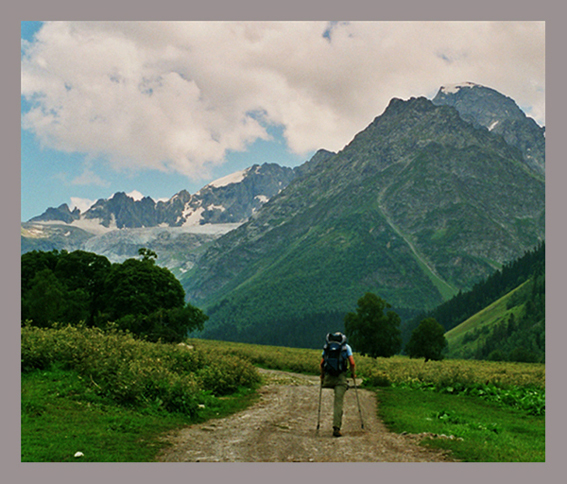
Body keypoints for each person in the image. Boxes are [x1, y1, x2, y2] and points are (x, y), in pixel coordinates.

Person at [320, 332, 356, 437]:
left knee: (331, 391)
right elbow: (352, 363)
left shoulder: (327, 347)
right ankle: (336, 428)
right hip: (340, 378)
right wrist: (353, 375)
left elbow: (322, 364)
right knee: (338, 403)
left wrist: (322, 376)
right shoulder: (346, 347)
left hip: (328, 378)